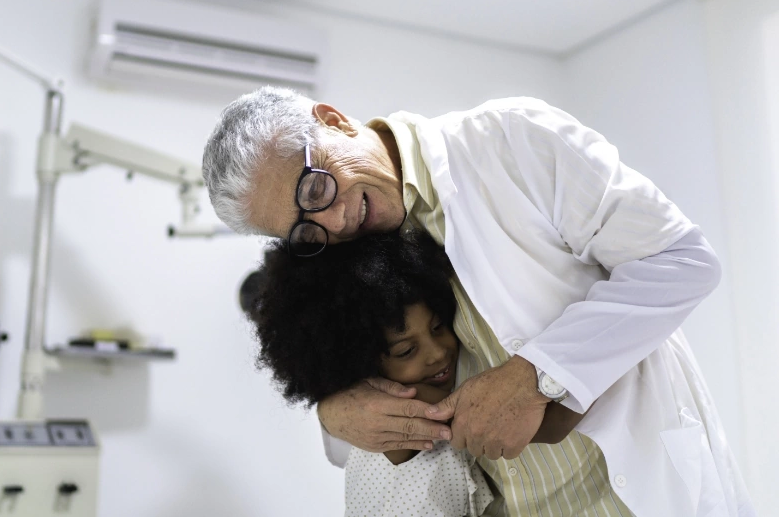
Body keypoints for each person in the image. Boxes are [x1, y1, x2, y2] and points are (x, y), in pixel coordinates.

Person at [202, 87, 754, 516]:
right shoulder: (337, 251)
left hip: (638, 493)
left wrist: (534, 375)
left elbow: (681, 260)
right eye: (303, 230)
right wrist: (333, 412)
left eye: (316, 189)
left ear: (333, 120)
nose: (334, 222)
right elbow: (341, 371)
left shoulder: (511, 141)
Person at [246, 231, 499, 516]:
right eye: (405, 351)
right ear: (360, 363)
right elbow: (512, 417)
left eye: (438, 326)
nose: (437, 353)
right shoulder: (414, 405)